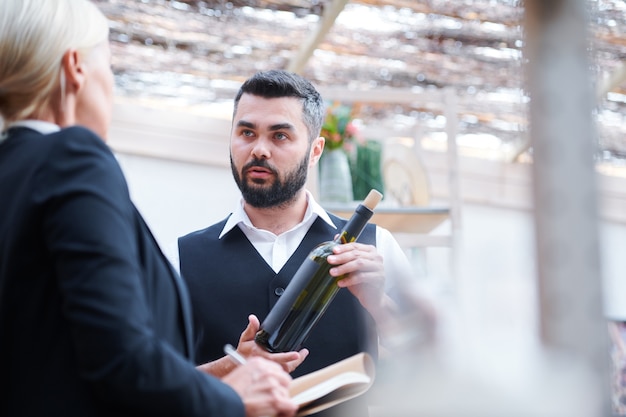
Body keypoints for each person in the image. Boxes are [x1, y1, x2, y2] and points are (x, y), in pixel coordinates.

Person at [0, 2, 301, 417]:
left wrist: (232, 366)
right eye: (109, 66)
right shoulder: (73, 157)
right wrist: (234, 400)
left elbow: (59, 353)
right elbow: (118, 360)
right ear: (75, 69)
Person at [169, 69, 422, 416]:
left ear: (315, 150)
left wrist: (378, 303)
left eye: (280, 136)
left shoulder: (377, 247)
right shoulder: (182, 258)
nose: (259, 149)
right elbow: (154, 386)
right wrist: (234, 364)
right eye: (246, 132)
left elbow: (428, 363)